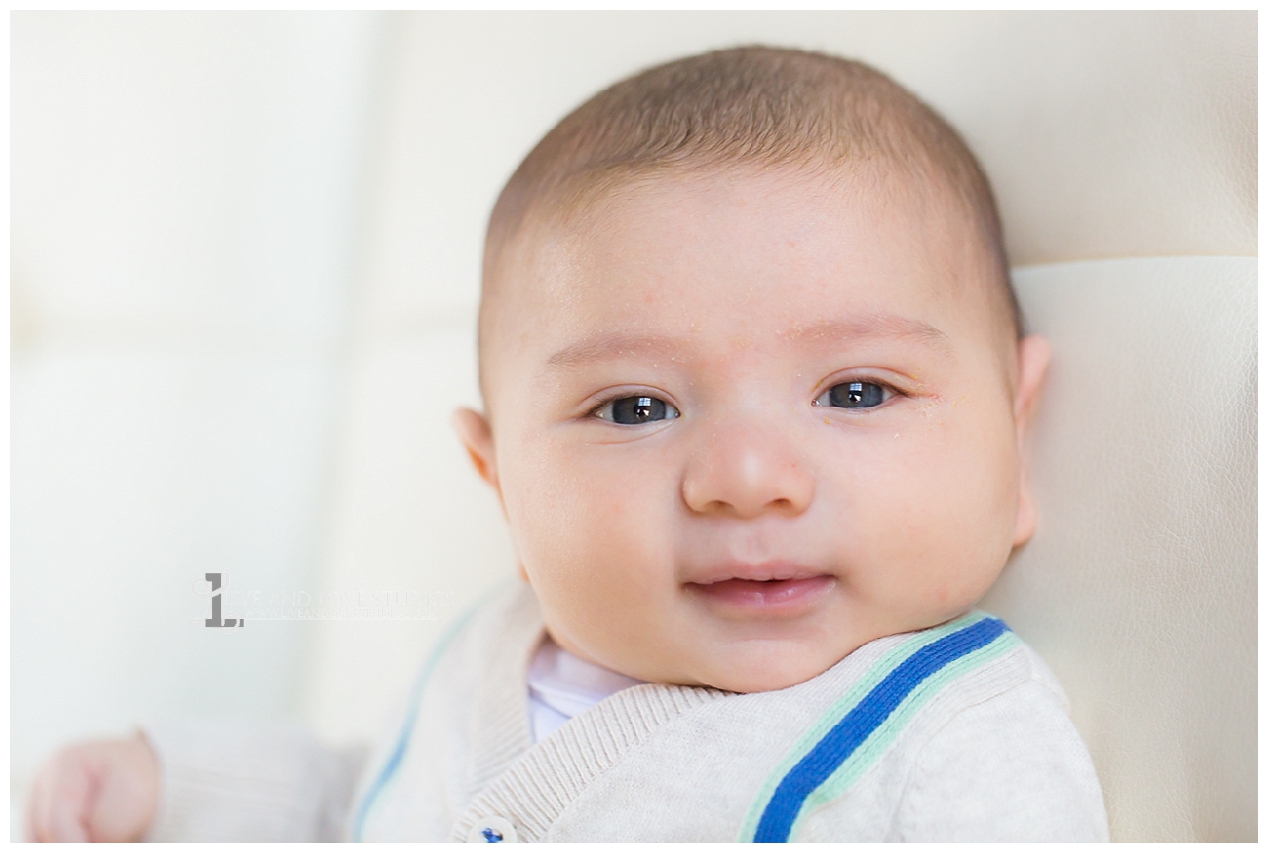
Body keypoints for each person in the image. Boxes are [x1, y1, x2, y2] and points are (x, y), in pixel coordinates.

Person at [26, 47, 1108, 842]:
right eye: (634, 408)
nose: (743, 479)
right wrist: (173, 787)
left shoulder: (954, 741)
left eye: (857, 389)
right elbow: (372, 807)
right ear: (500, 487)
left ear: (1012, 435)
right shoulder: (488, 651)